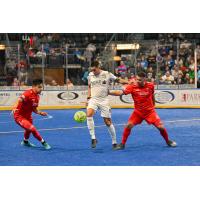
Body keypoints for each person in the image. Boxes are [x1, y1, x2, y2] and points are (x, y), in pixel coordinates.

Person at [109, 71, 177, 150]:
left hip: (150, 112)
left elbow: (151, 95)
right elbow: (120, 93)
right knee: (128, 126)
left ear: (145, 79)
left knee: (161, 127)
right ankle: (122, 144)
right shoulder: (132, 86)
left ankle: (168, 141)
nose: (138, 81)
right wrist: (109, 92)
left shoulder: (151, 85)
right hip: (138, 112)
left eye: (140, 80)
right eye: (137, 79)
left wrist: (153, 105)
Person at [87, 60, 128, 149]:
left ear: (99, 67)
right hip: (93, 99)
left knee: (108, 122)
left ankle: (114, 143)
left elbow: (118, 80)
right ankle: (93, 138)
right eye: (92, 70)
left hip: (104, 100)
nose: (93, 71)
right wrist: (88, 97)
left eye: (94, 70)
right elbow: (89, 86)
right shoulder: (90, 75)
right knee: (89, 114)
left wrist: (128, 82)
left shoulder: (107, 74)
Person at [12, 79, 51, 149]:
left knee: (28, 130)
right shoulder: (27, 93)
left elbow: (34, 109)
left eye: (41, 87)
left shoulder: (37, 97)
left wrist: (40, 113)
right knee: (32, 129)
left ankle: (25, 142)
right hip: (19, 116)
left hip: (28, 116)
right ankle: (44, 143)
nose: (41, 89)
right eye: (39, 87)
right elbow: (19, 100)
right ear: (34, 86)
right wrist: (14, 108)